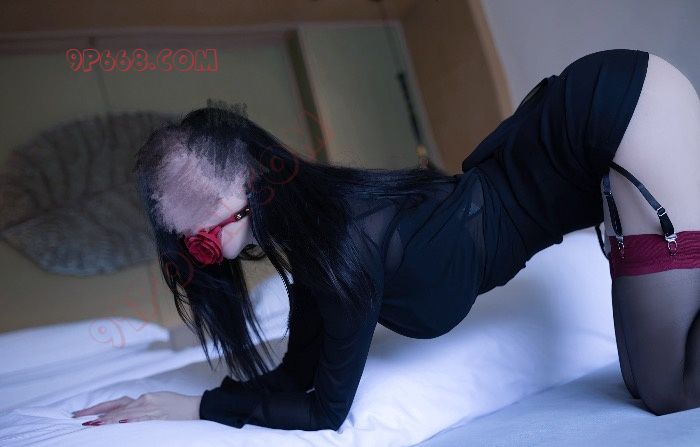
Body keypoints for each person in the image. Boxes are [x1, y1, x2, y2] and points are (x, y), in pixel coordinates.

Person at [71, 48, 700, 430]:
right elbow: (297, 376)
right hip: (584, 140)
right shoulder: (316, 246)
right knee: (642, 386)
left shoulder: (340, 251)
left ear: (232, 207)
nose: (192, 253)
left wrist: (201, 410)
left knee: (669, 391)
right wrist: (193, 402)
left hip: (620, 114)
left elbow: (324, 411)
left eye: (194, 240)